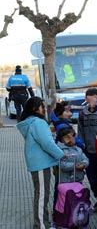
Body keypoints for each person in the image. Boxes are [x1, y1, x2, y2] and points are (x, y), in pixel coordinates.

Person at [16, 96, 65, 229]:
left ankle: (44, 223)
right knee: (42, 195)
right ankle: (41, 225)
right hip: (41, 163)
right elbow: (47, 143)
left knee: (41, 194)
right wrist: (61, 154)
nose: (44, 109)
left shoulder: (29, 122)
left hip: (38, 163)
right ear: (35, 109)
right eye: (42, 106)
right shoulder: (38, 123)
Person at [78, 87, 97, 212]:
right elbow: (80, 131)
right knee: (92, 179)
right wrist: (82, 145)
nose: (91, 101)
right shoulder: (82, 113)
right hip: (88, 151)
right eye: (88, 99)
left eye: (94, 98)